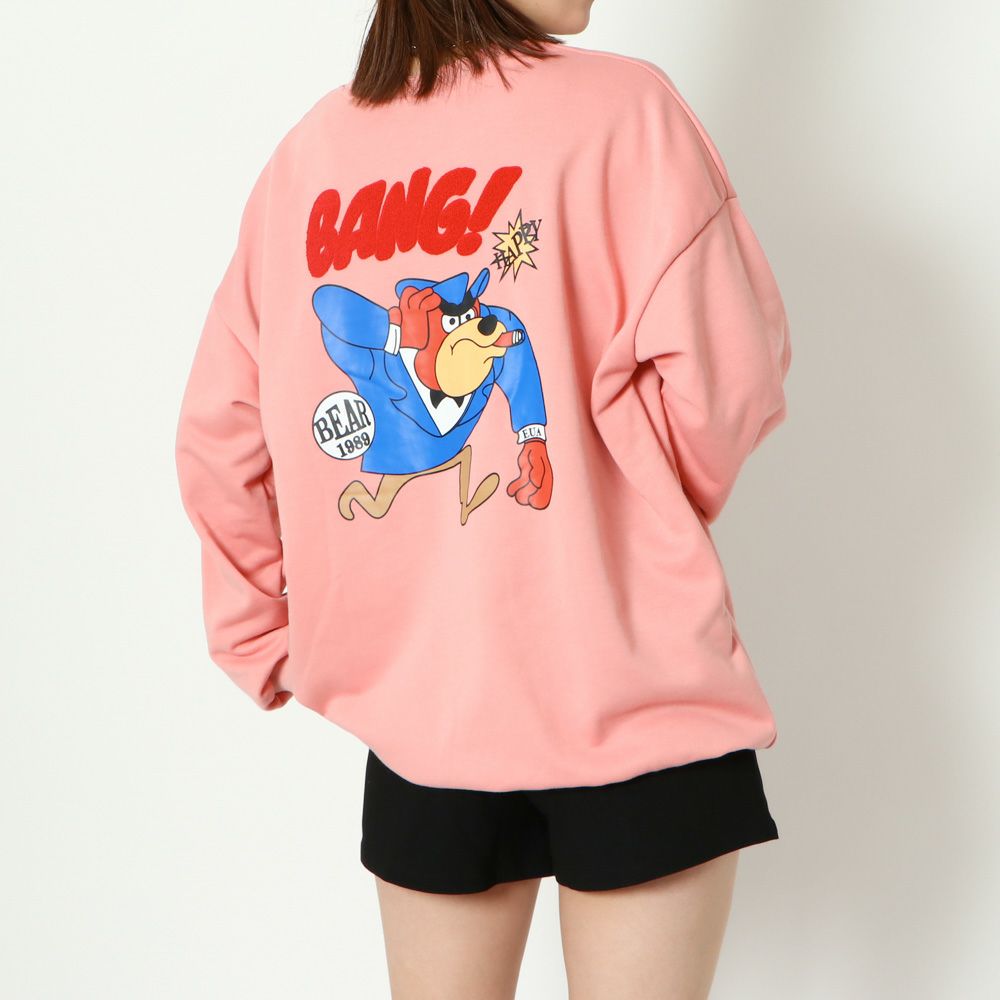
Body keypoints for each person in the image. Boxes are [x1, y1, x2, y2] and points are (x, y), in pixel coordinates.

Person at [174, 1, 792, 996]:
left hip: (425, 718)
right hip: (633, 689)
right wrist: (633, 503)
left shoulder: (310, 155)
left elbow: (221, 432)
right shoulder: (627, 113)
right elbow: (729, 386)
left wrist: (260, 634)